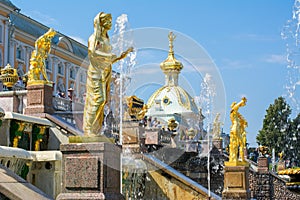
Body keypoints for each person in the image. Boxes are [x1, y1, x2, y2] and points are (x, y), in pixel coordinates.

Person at [83, 12, 133, 136]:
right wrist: (110, 56)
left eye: (110, 20)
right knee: (98, 99)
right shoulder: (94, 37)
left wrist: (122, 55)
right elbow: (92, 53)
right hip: (96, 72)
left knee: (103, 101)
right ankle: (89, 130)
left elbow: (109, 58)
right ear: (100, 23)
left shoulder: (106, 39)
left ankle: (96, 130)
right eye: (107, 21)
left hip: (105, 72)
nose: (110, 23)